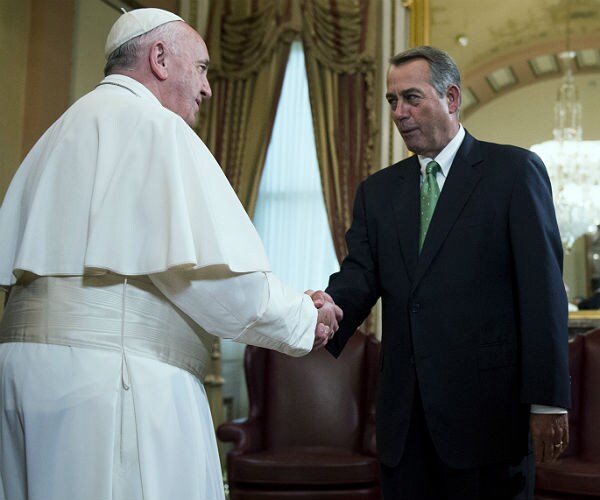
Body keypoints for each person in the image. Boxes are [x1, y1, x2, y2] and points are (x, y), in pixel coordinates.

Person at [0, 8, 340, 500]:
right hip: (110, 385)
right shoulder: (156, 127)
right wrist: (304, 319)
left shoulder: (58, 132)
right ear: (159, 58)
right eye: (201, 69)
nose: (207, 89)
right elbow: (212, 280)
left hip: (23, 376)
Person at [311, 46, 570, 499]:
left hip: (488, 422)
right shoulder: (377, 192)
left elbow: (543, 292)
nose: (399, 112)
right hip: (404, 423)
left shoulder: (513, 172)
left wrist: (548, 402)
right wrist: (325, 307)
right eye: (392, 101)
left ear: (451, 98)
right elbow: (359, 276)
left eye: (411, 98)